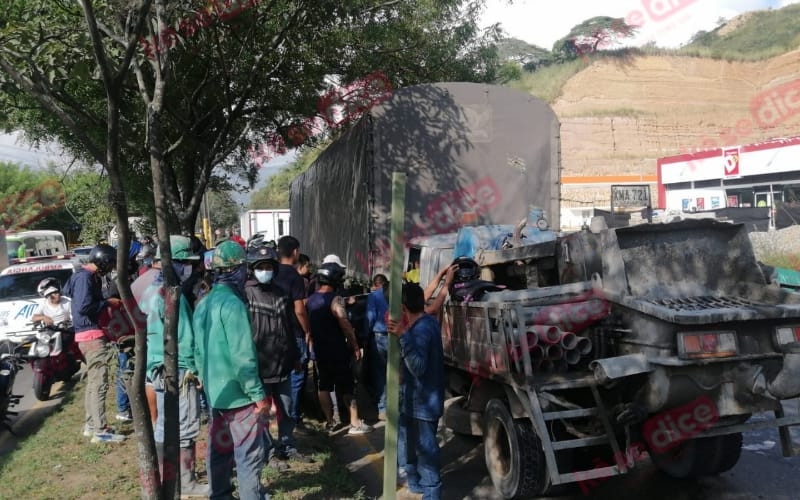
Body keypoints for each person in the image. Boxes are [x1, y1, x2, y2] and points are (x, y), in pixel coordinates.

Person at [193, 241, 270, 499]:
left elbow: (197, 349)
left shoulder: (203, 302)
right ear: (238, 270)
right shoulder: (233, 305)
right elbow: (243, 358)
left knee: (219, 452)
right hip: (239, 397)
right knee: (248, 457)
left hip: (216, 395)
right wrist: (258, 395)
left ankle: (220, 495)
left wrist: (204, 379)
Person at [140, 235, 207, 496]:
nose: (187, 268)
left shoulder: (149, 289)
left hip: (157, 367)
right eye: (183, 263)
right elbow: (183, 338)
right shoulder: (170, 294)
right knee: (185, 428)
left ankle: (167, 477)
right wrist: (194, 369)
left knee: (164, 425)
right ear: (173, 263)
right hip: (178, 368)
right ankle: (186, 482)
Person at [245, 243, 312, 470]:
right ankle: (268, 452)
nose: (265, 270)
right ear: (252, 269)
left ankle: (287, 445)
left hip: (282, 364)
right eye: (260, 266)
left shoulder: (281, 294)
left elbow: (287, 326)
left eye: (268, 266)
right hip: (259, 367)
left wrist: (294, 356)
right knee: (263, 414)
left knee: (286, 408)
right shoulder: (246, 295)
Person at [62, 244, 125, 443]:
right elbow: (83, 307)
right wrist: (107, 303)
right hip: (91, 335)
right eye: (111, 263)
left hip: (85, 335)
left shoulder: (83, 277)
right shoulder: (85, 278)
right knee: (99, 383)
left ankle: (91, 424)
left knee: (93, 382)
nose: (112, 267)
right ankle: (101, 430)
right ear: (104, 261)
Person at [388, 283, 445, 499]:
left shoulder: (421, 329)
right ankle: (415, 483)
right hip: (413, 400)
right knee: (409, 446)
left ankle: (431, 493)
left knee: (426, 454)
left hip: (423, 404)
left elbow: (419, 367)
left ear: (402, 308)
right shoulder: (427, 322)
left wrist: (403, 335)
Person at [307, 262, 373, 435]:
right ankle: (355, 423)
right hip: (337, 351)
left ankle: (330, 422)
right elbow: (344, 324)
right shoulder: (335, 300)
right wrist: (355, 345)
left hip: (320, 351)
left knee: (324, 387)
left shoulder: (311, 299)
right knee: (346, 387)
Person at [273, 236, 313, 428]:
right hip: (294, 333)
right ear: (295, 251)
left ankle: (278, 417)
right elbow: (299, 310)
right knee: (296, 378)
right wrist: (307, 331)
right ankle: (293, 419)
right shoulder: (294, 277)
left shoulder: (271, 272)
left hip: (272, 333)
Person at [366, 274, 389, 420]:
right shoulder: (396, 293)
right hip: (396, 335)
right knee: (396, 372)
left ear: (375, 284)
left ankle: (383, 409)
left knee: (380, 373)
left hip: (379, 337)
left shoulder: (373, 296)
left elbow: (370, 317)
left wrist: (365, 336)